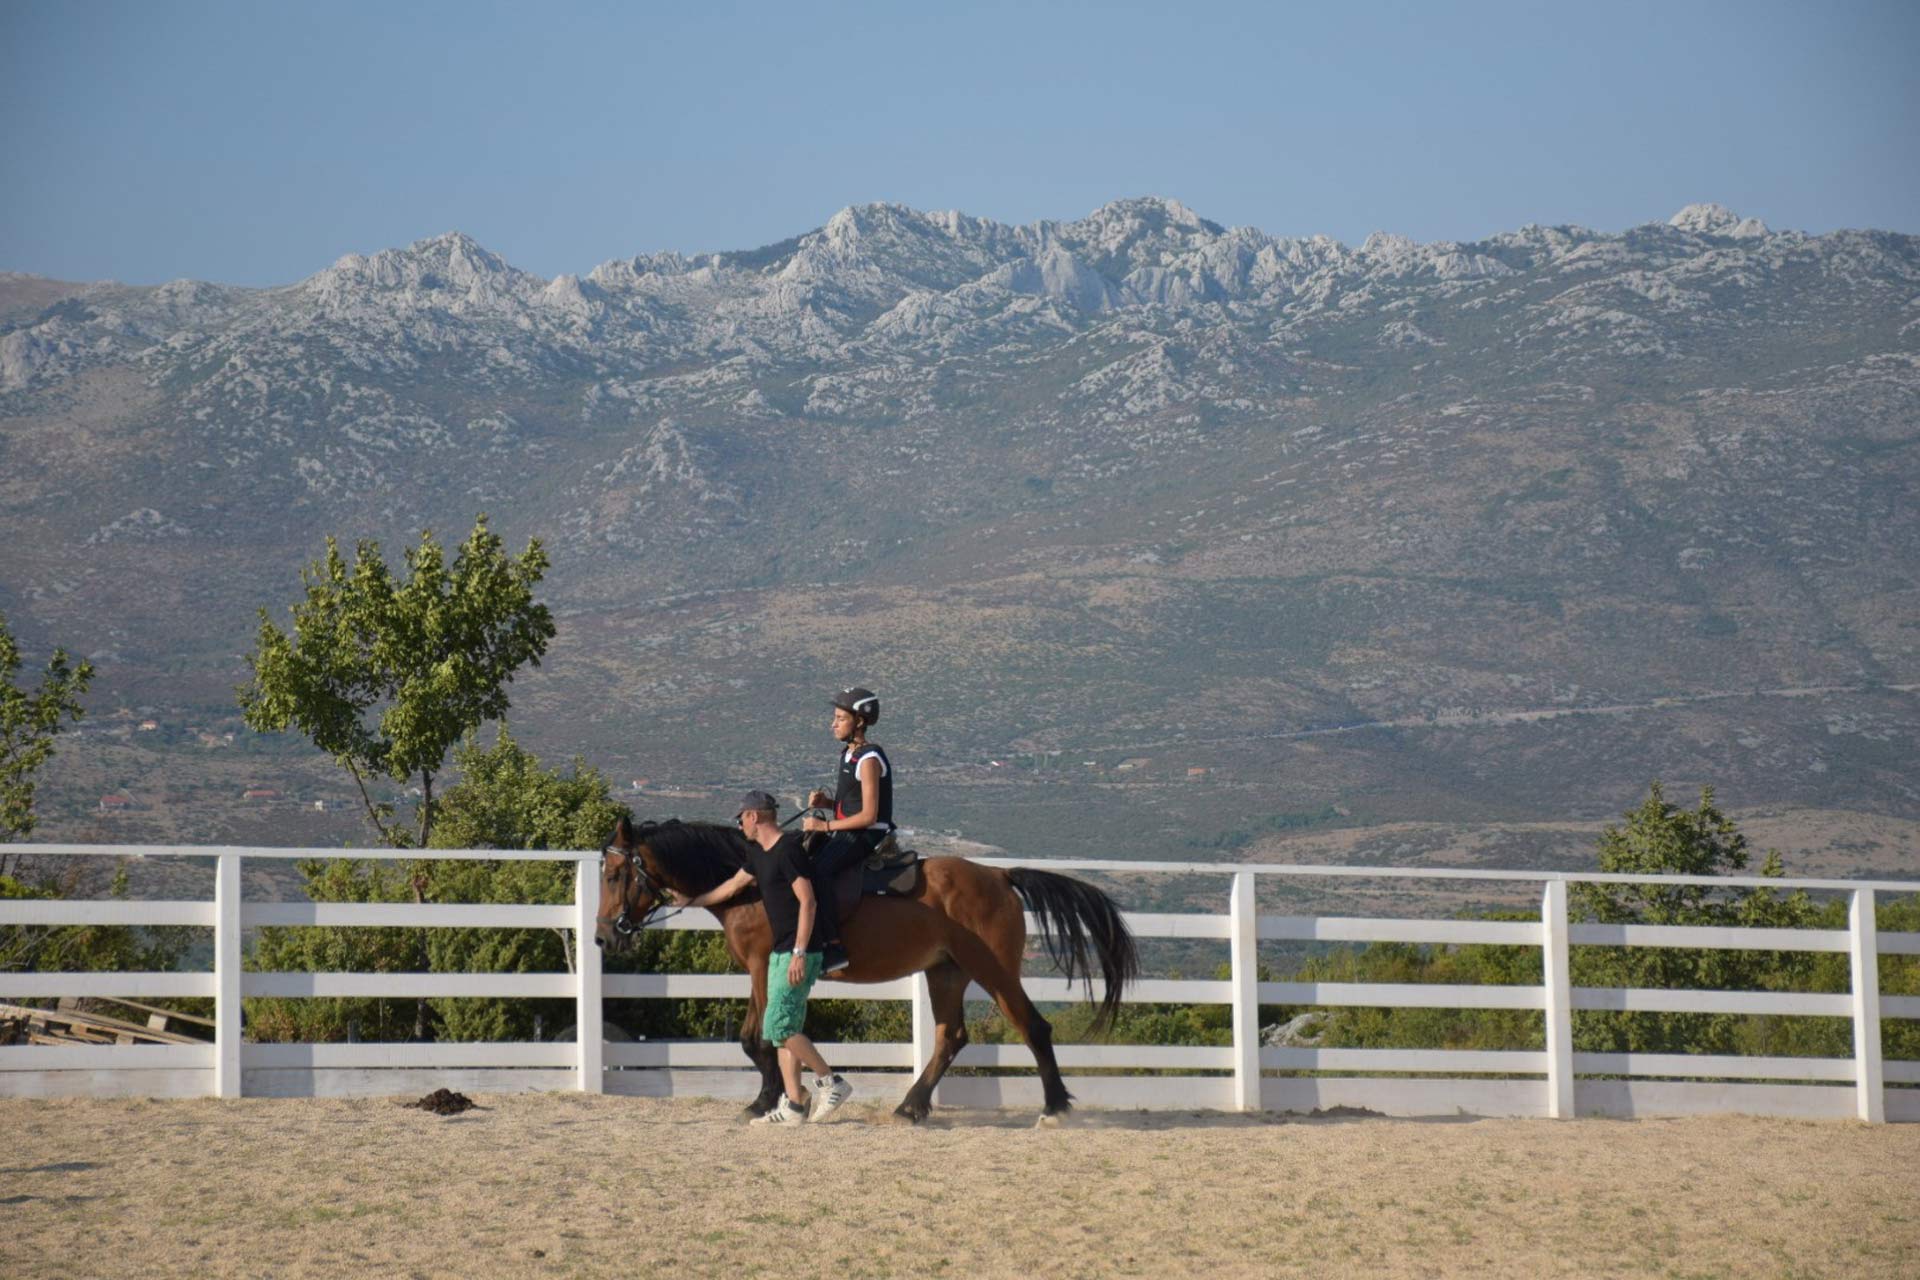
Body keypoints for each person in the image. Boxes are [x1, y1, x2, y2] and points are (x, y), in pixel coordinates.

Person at [674, 790, 853, 1125]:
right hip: (780, 951)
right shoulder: (758, 854)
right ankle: (795, 1104)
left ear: (754, 816)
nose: (740, 824)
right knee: (784, 1028)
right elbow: (729, 889)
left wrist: (800, 951)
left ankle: (831, 1082)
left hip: (799, 951)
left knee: (778, 1025)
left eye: (742, 818)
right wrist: (690, 901)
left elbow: (808, 902)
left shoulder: (788, 851)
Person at [803, 686, 893, 975]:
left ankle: (833, 946)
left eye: (840, 718)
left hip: (868, 834)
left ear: (860, 722)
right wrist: (827, 803)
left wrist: (824, 825)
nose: (834, 723)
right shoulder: (848, 754)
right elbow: (850, 806)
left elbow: (868, 815)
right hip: (849, 829)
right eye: (835, 717)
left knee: (819, 872)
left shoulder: (868, 760)